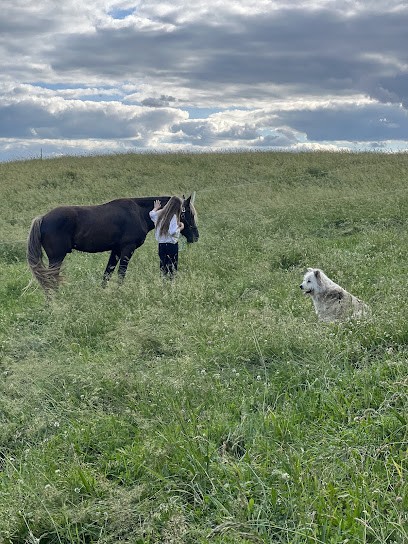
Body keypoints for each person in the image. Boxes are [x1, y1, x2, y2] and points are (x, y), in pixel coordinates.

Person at [149, 196, 184, 278]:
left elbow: (151, 214)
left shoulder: (160, 214)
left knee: (163, 268)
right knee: (172, 269)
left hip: (161, 245)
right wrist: (180, 227)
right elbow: (172, 232)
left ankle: (163, 284)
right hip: (171, 245)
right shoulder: (174, 216)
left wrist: (155, 208)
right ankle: (171, 285)